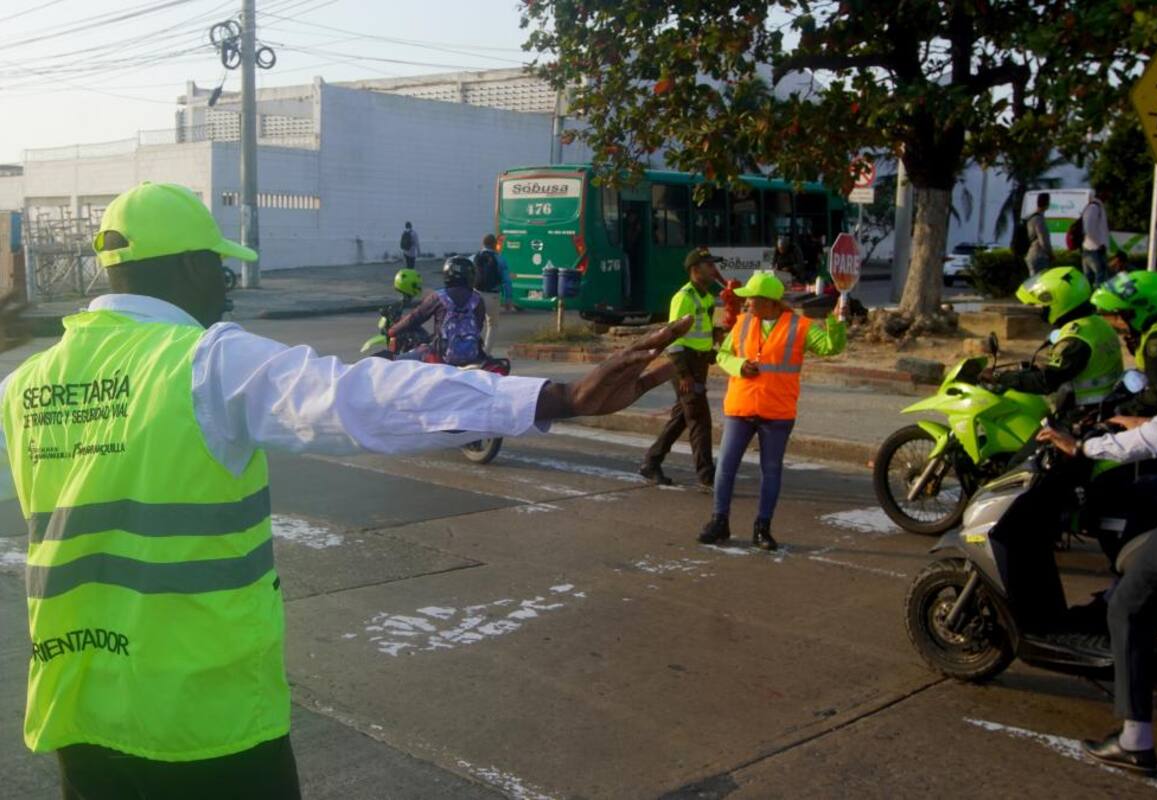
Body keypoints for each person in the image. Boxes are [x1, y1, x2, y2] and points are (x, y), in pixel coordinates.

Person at [0, 182, 689, 799]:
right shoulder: (203, 361)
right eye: (217, 265)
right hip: (203, 724)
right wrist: (557, 397)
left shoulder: (27, 384)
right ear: (184, 267)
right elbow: (359, 397)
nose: (226, 284)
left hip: (80, 717)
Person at [1036, 372, 1157, 776]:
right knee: (1129, 494)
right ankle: (1134, 583)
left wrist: (1085, 447)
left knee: (1128, 608)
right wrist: (1137, 424)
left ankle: (1134, 741)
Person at [698, 272, 846, 551]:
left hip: (777, 412)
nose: (746, 304)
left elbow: (830, 347)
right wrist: (739, 365)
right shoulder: (743, 323)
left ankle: (762, 528)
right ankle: (719, 521)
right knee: (726, 467)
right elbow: (722, 355)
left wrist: (837, 322)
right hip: (740, 408)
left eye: (751, 299)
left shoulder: (800, 326)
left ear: (767, 302)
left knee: (771, 471)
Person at [640, 247, 721, 488]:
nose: (714, 269)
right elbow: (673, 338)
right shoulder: (683, 297)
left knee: (682, 417)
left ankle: (651, 462)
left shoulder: (706, 297)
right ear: (695, 270)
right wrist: (683, 373)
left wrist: (714, 339)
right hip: (685, 366)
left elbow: (701, 329)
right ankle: (707, 476)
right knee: (699, 419)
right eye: (709, 265)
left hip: (699, 363)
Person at [994, 267, 1123, 407]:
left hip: (1083, 413)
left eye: (1044, 305)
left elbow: (1045, 382)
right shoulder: (1097, 322)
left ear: (1059, 302)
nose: (1041, 309)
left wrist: (999, 377)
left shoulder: (1075, 339)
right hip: (1108, 402)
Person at [1091, 270, 1157, 416]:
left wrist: (1122, 410)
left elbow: (1156, 397)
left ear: (1141, 310)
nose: (1117, 323)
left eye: (1121, 315)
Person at [389, 256, 488, 365]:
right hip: (473, 356)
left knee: (396, 361)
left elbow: (415, 317)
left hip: (441, 356)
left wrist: (393, 330)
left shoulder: (439, 297)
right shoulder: (477, 299)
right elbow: (478, 326)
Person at [474, 234, 514, 349]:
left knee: (475, 324)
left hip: (476, 295)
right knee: (492, 325)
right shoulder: (500, 259)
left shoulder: (475, 257)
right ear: (495, 245)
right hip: (493, 296)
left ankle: (472, 350)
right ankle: (486, 353)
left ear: (483, 244)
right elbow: (507, 281)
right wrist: (508, 299)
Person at [1081, 192, 1110, 286]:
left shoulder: (1094, 207)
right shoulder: (1094, 208)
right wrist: (1099, 243)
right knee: (1100, 278)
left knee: (1089, 279)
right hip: (1094, 250)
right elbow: (1088, 228)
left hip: (1090, 249)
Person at [1025, 192, 1053, 275]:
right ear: (1047, 203)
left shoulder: (1032, 217)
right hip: (1039, 256)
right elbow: (1043, 240)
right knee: (1039, 282)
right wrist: (1050, 254)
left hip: (1031, 254)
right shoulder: (1039, 219)